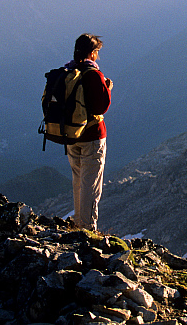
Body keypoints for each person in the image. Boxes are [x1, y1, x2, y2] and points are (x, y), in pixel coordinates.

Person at [65, 33, 112, 230]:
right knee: (91, 185)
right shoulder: (93, 74)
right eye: (97, 52)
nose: (98, 57)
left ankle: (78, 221)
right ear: (92, 53)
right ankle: (86, 228)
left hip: (71, 135)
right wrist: (107, 88)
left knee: (78, 181)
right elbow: (101, 107)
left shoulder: (68, 71)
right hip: (92, 137)